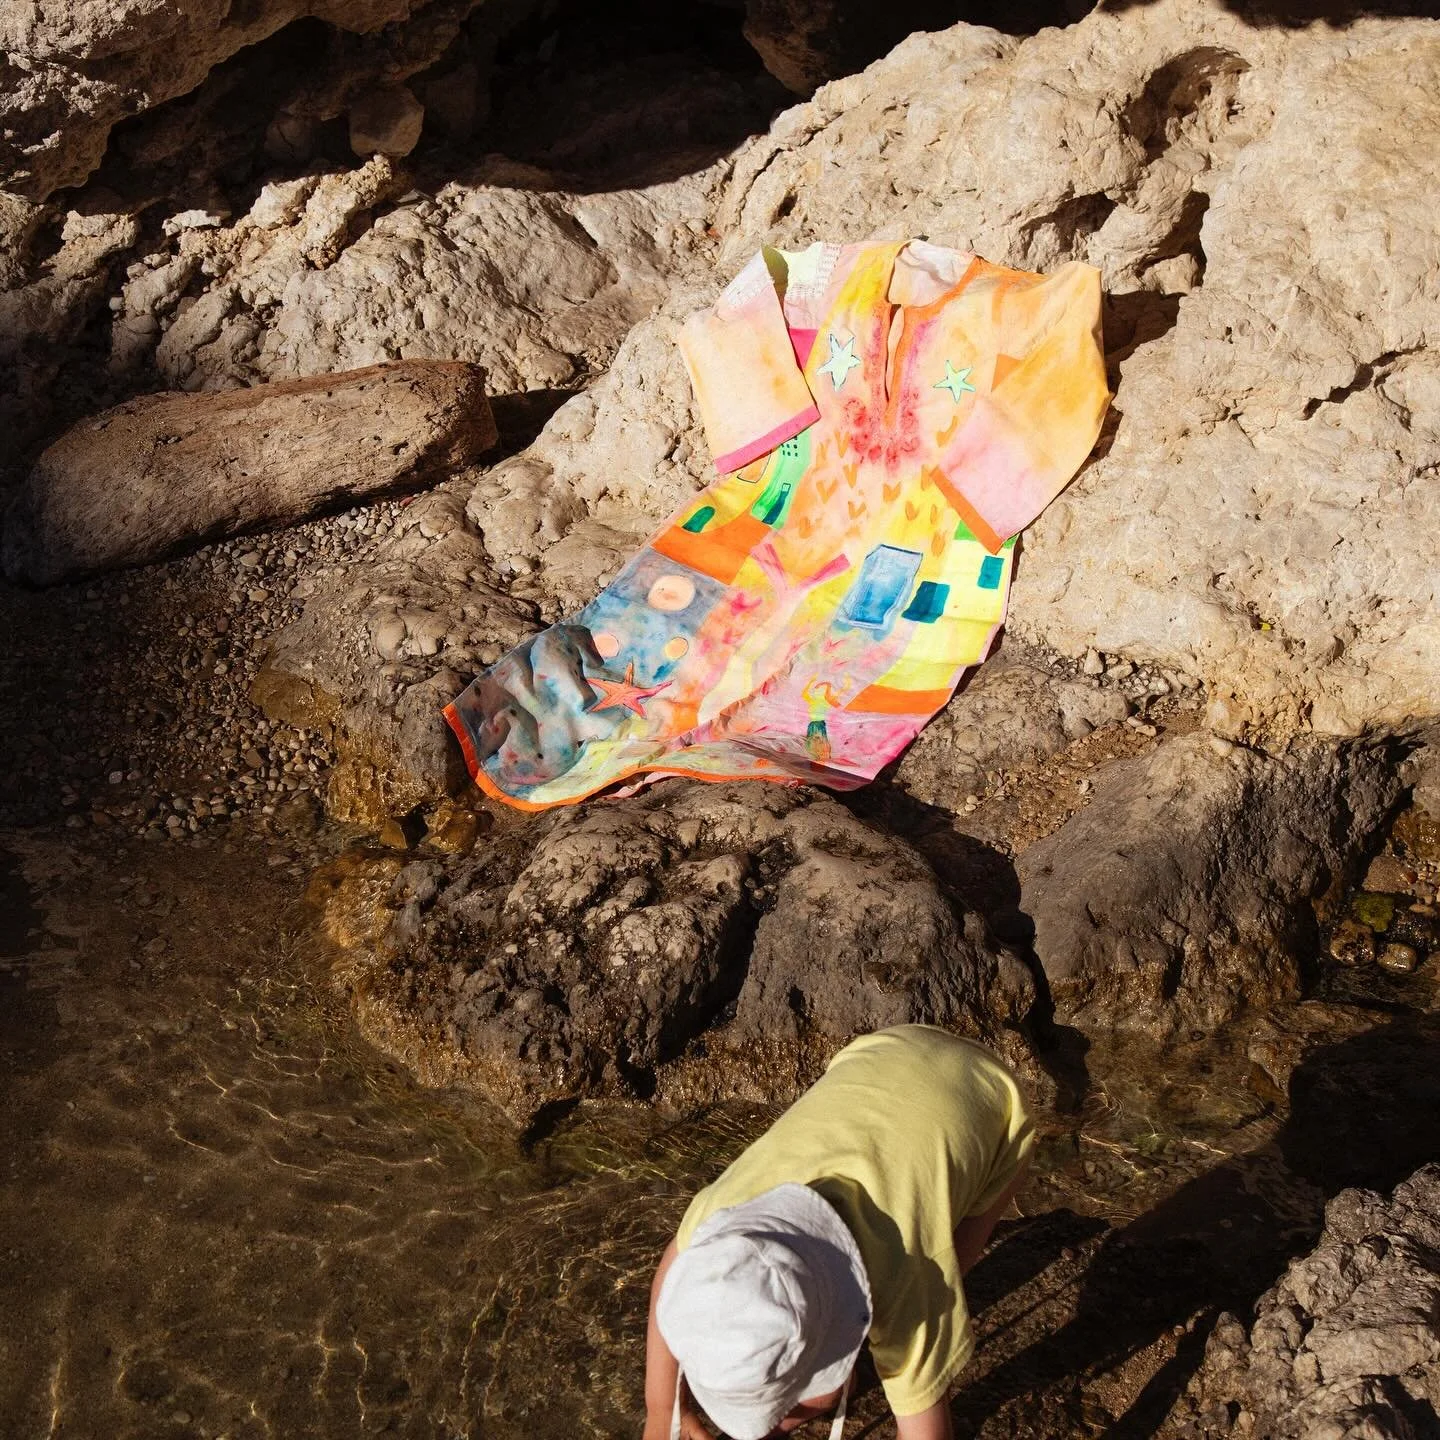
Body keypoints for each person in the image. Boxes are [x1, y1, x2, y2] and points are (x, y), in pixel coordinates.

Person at [642, 1025, 1034, 1440]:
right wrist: (662, 1411)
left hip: (994, 1103)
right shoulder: (716, 1218)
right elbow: (667, 1283)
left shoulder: (904, 1288)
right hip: (880, 1053)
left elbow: (928, 1433)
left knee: (950, 1270)